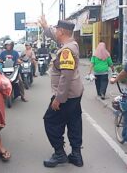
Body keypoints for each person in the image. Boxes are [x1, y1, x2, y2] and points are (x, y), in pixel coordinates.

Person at [39, 16, 84, 168]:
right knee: (74, 121)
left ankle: (59, 154)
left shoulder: (66, 51)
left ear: (62, 31)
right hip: (75, 93)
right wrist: (45, 27)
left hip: (67, 95)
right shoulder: (71, 43)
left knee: (50, 120)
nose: (55, 31)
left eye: (56, 29)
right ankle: (76, 155)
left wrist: (58, 99)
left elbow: (66, 77)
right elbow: (53, 34)